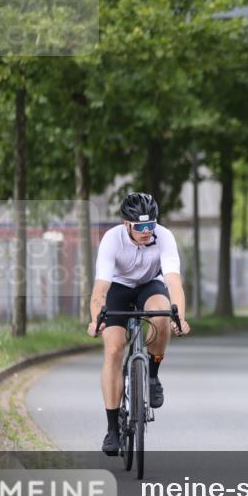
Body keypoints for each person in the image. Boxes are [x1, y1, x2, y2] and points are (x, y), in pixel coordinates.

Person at [87, 192, 190, 456]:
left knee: (162, 315)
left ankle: (153, 377)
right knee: (113, 348)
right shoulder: (112, 240)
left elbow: (174, 281)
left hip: (149, 284)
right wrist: (96, 318)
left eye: (150, 225)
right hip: (118, 287)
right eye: (140, 227)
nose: (146, 232)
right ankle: (112, 430)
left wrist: (180, 317)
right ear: (126, 224)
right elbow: (100, 289)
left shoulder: (164, 237)